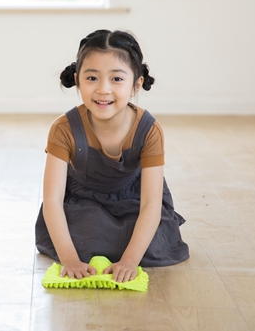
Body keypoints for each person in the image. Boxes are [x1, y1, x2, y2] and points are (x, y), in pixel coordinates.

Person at [35, 29, 189, 283]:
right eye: (92, 78)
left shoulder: (149, 129)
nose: (103, 89)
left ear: (136, 85)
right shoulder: (64, 128)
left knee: (158, 236)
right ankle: (98, 243)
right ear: (78, 80)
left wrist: (129, 261)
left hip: (134, 200)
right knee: (82, 232)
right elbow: (52, 199)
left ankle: (121, 247)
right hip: (85, 201)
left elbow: (151, 203)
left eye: (116, 79)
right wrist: (70, 259)